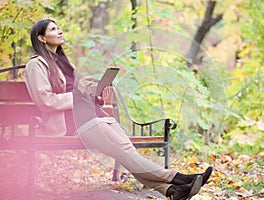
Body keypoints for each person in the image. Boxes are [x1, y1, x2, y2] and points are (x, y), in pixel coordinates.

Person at [24, 19, 213, 200]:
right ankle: (180, 178)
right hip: (74, 123)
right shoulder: (36, 65)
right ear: (41, 38)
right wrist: (77, 97)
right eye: (53, 29)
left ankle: (171, 190)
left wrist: (98, 96)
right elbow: (45, 101)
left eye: (59, 28)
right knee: (125, 154)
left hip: (94, 115)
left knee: (129, 154)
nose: (60, 31)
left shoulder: (65, 63)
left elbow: (81, 94)